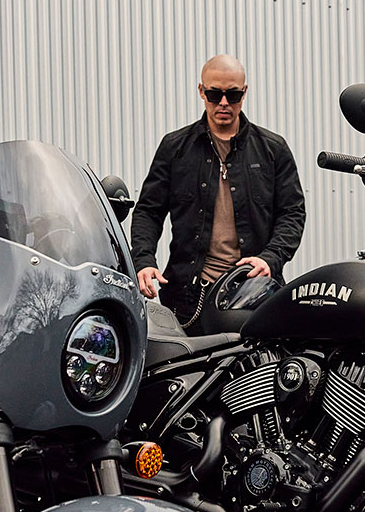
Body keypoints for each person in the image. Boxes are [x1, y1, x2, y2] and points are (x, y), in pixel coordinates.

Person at [131, 54, 306, 331]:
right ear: (201, 91)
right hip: (187, 297)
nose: (224, 102)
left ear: (244, 93)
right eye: (214, 94)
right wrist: (143, 260)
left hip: (254, 294)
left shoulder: (273, 149)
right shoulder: (175, 147)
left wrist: (270, 258)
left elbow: (292, 213)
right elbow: (148, 211)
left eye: (233, 95)